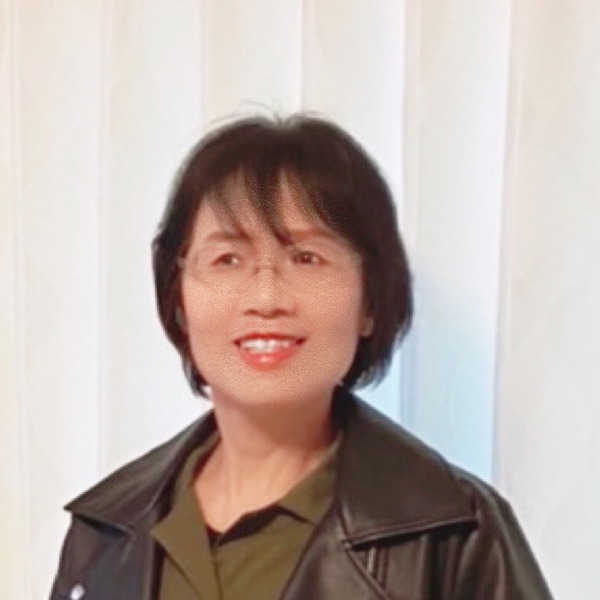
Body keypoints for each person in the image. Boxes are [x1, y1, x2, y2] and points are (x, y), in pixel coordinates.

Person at [50, 115, 553, 600]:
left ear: (369, 303)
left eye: (307, 258)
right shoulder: (106, 533)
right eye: (228, 259)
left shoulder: (455, 536)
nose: (266, 298)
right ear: (178, 299)